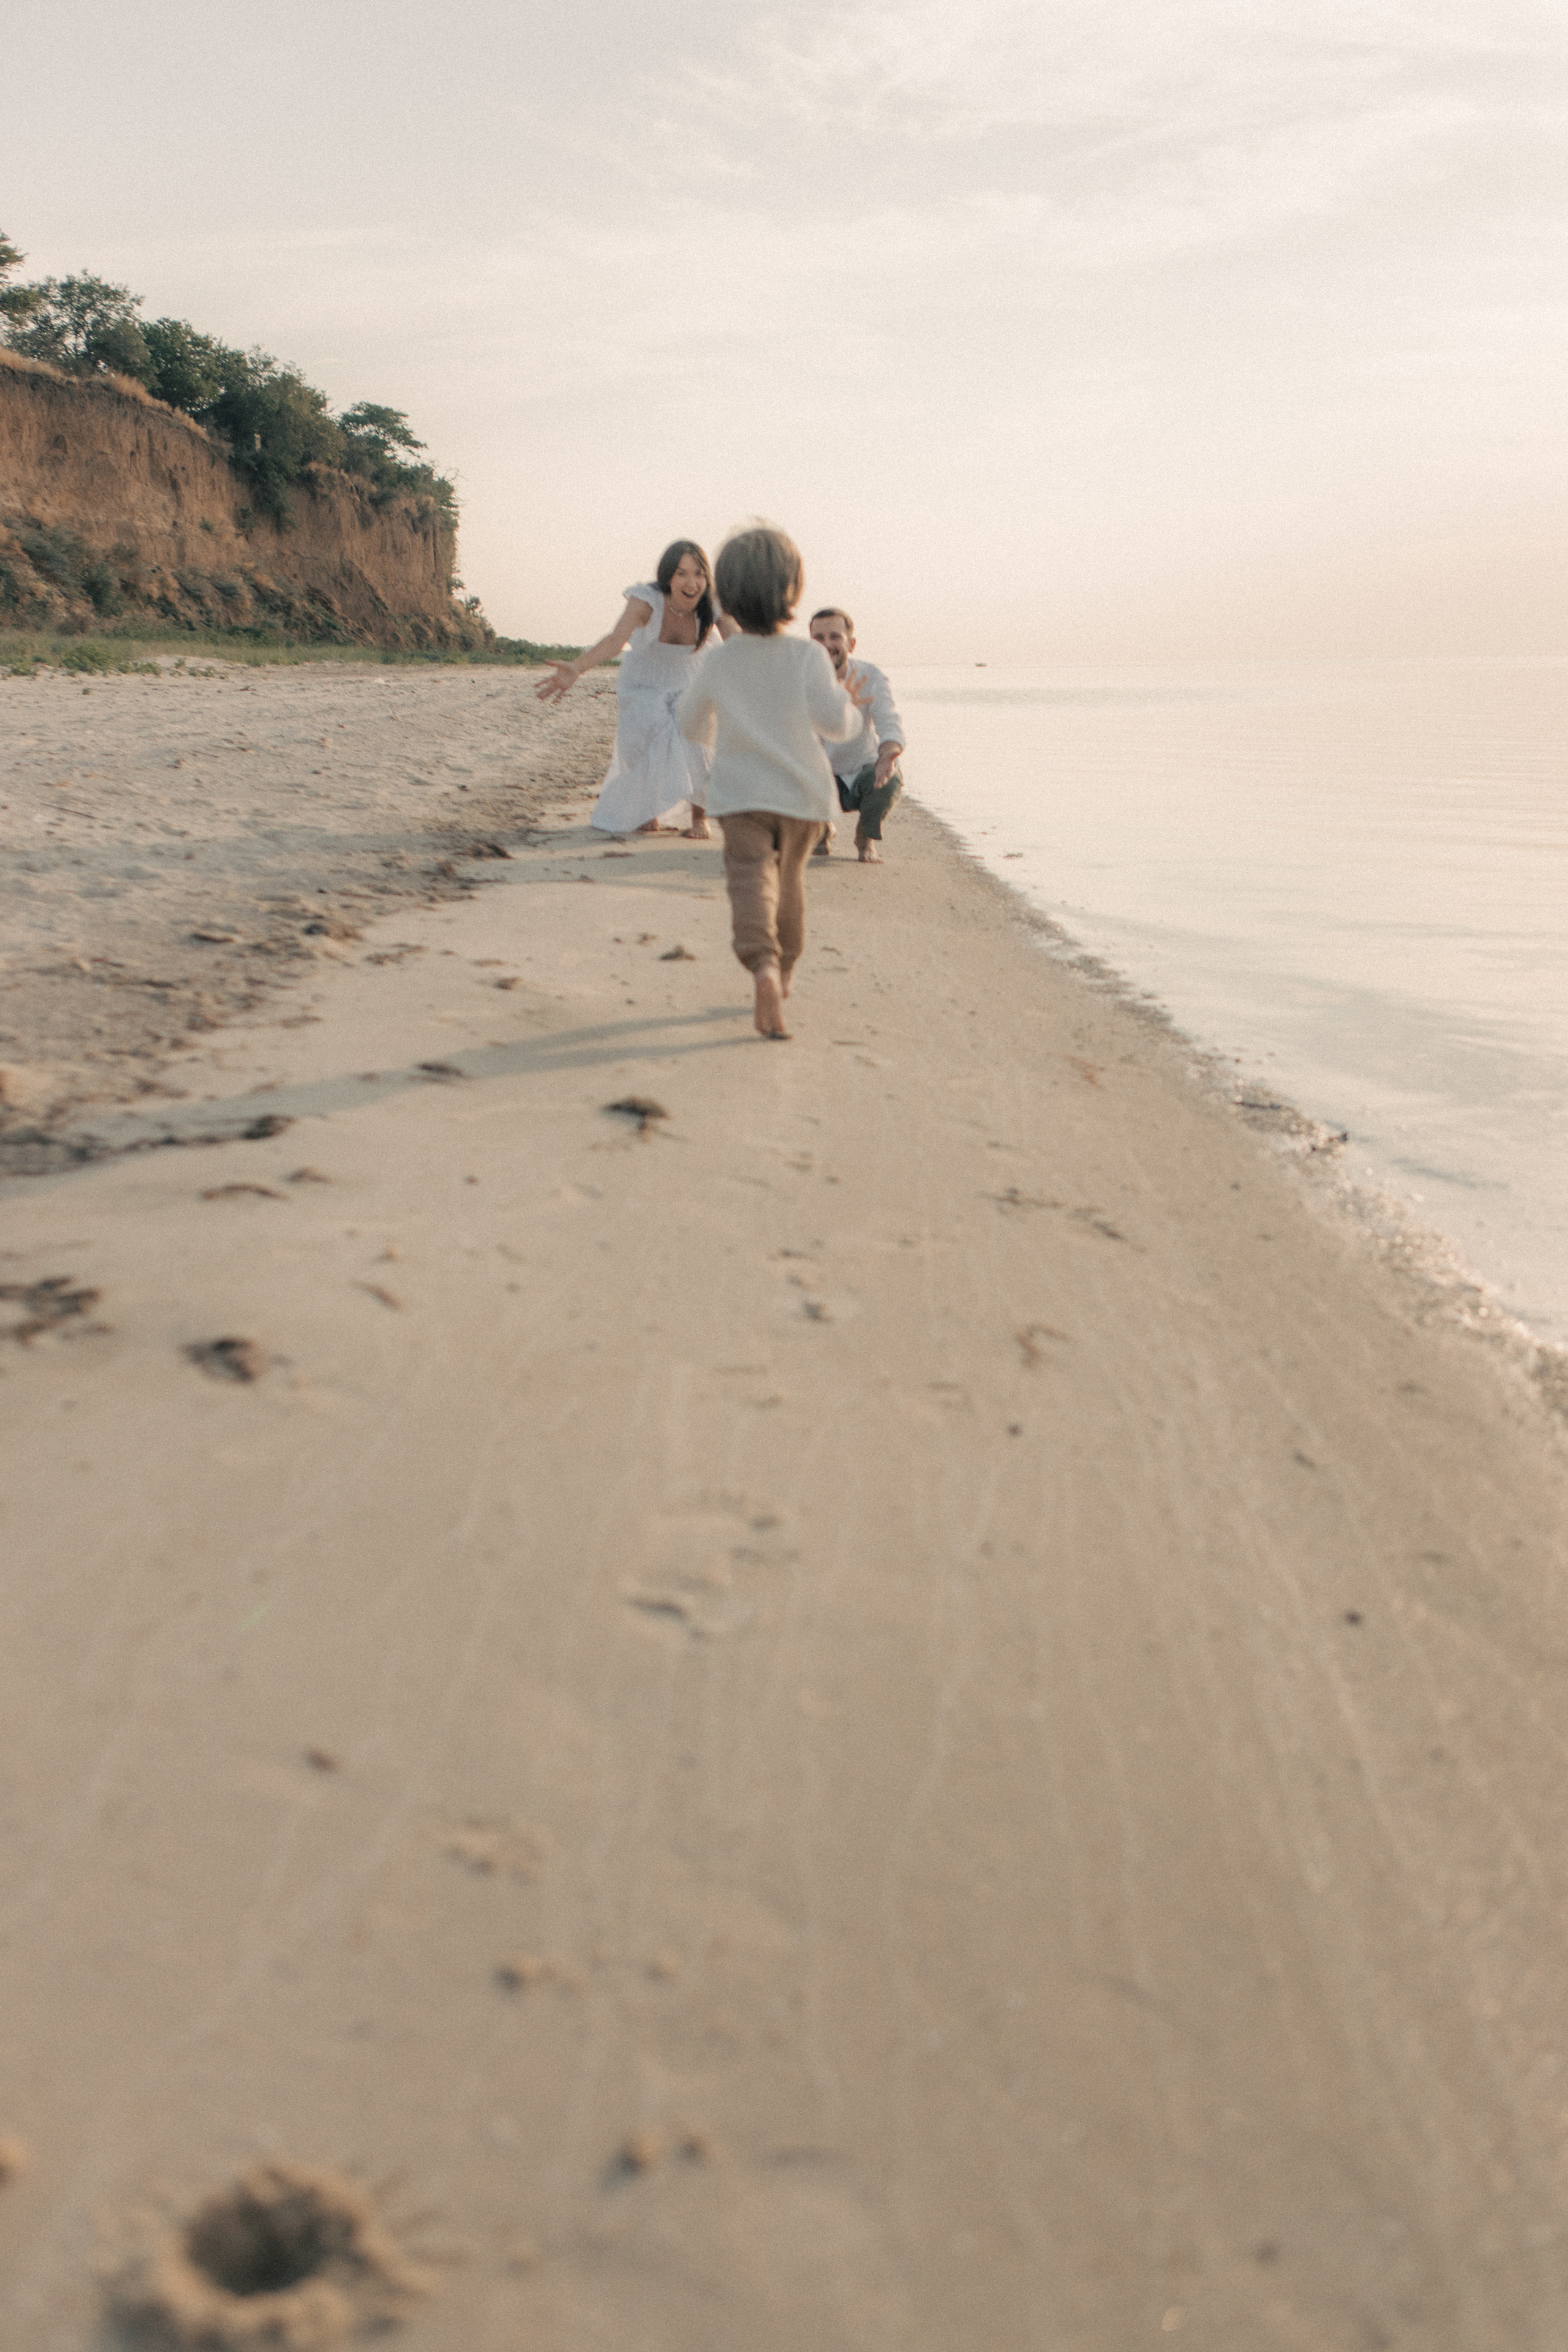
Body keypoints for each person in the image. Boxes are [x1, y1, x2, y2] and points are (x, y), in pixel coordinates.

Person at [676, 526, 867, 1039]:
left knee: (749, 881)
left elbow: (690, 724)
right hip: (803, 796)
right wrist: (850, 706)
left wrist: (724, 730)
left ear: (727, 595)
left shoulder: (719, 658)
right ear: (792, 591)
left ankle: (761, 965)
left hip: (740, 794)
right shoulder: (808, 657)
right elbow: (837, 725)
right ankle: (784, 975)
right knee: (790, 883)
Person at [536, 541, 733, 839]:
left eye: (698, 574)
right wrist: (577, 667)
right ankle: (648, 810)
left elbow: (739, 643)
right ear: (667, 577)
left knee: (696, 734)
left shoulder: (713, 604)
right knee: (646, 726)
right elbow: (615, 641)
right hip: (646, 678)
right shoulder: (646, 600)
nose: (691, 583)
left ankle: (699, 818)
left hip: (694, 675)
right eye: (681, 574)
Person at [805, 608, 906, 862]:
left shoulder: (870, 676)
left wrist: (888, 755)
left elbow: (889, 720)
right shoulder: (799, 680)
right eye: (819, 638)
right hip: (818, 776)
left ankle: (866, 836)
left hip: (861, 771)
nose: (827, 645)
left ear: (851, 644)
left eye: (835, 637)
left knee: (890, 779)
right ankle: (821, 829)